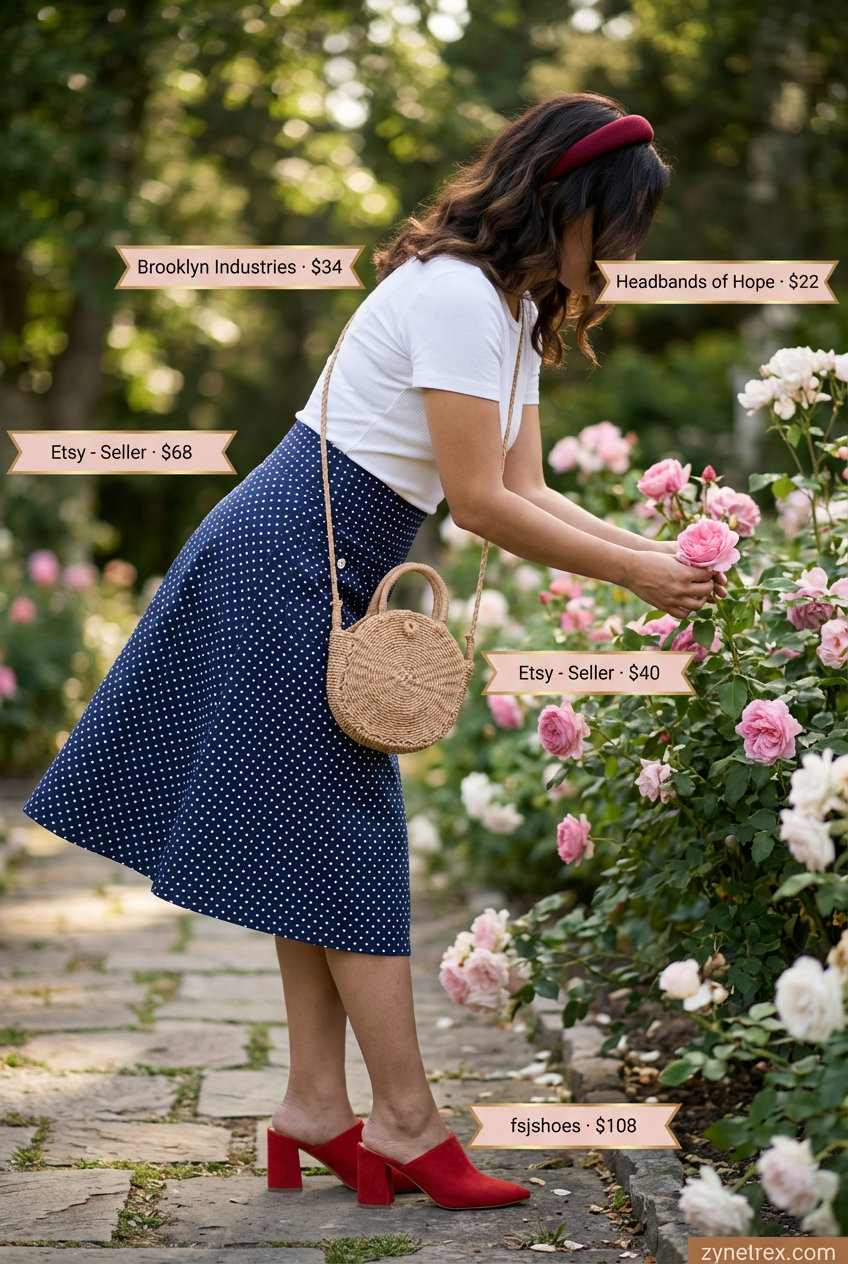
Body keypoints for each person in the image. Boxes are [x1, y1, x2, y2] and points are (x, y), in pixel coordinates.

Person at [22, 92, 726, 1210]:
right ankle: (402, 1121)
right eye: (617, 226)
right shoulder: (451, 295)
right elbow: (479, 507)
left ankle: (314, 1106)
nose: (623, 255)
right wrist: (639, 573)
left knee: (316, 844)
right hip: (284, 559)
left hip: (328, 566)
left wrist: (654, 553)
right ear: (564, 199)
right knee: (352, 847)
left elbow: (531, 488)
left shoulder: (511, 311)